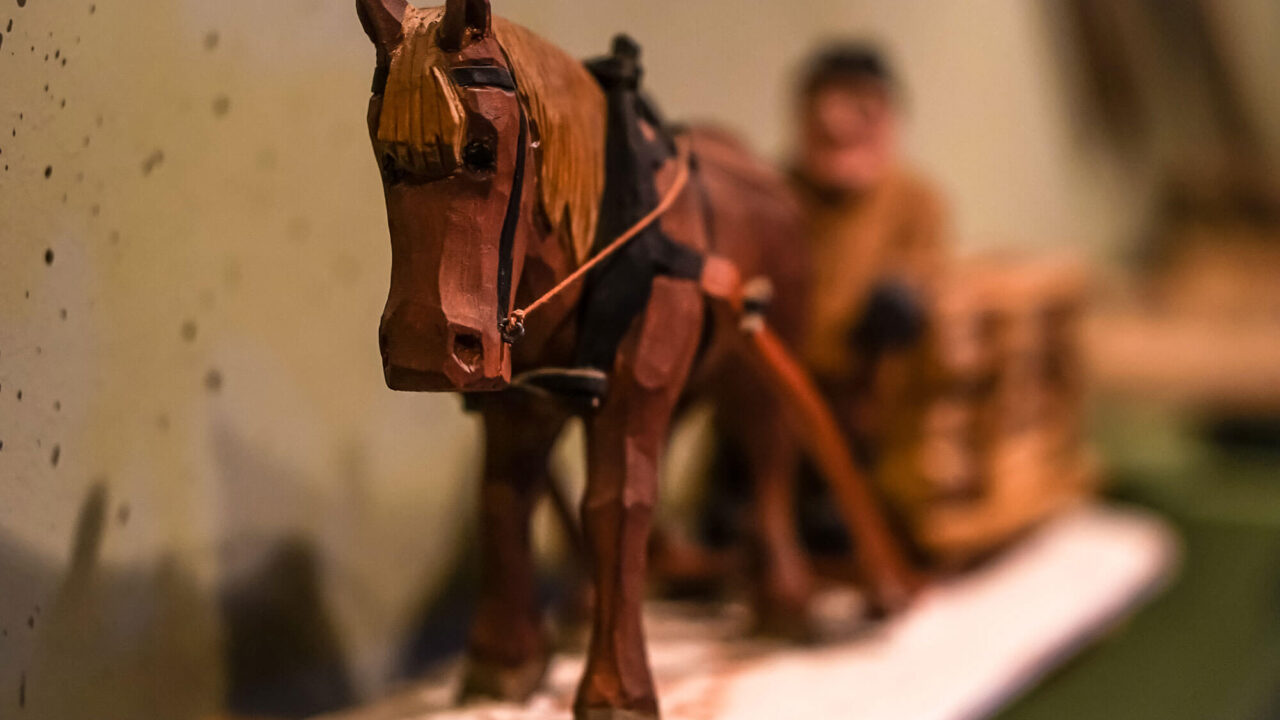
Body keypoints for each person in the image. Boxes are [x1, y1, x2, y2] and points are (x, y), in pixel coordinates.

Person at [789, 43, 952, 554]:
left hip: (863, 389)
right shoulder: (778, 194)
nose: (837, 125)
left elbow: (922, 275)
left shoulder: (915, 201)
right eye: (823, 107)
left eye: (860, 108)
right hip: (780, 380)